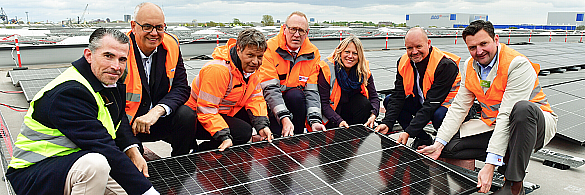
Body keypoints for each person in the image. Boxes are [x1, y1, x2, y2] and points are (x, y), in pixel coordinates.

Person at [6, 28, 158, 195]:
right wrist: (148, 192)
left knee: (128, 186)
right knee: (97, 165)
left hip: (74, 161)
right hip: (36, 172)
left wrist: (132, 149)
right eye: (108, 56)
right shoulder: (68, 93)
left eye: (122, 59)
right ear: (88, 55)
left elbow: (117, 120)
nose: (116, 66)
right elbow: (102, 146)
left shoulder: (104, 80)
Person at [417, 20, 557, 195]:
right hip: (493, 124)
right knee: (449, 147)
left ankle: (513, 185)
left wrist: (490, 164)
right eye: (472, 47)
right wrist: (438, 143)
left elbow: (507, 114)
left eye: (484, 44)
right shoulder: (470, 65)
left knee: (522, 109)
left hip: (532, 126)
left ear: (496, 40)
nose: (479, 51)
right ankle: (506, 158)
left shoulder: (516, 64)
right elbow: (459, 107)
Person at [185, 28, 273, 152]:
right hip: (195, 118)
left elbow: (255, 99)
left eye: (259, 56)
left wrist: (262, 126)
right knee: (243, 132)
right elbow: (206, 109)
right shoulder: (218, 70)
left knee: (258, 119)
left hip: (222, 112)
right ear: (238, 49)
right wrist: (223, 135)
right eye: (250, 55)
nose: (255, 61)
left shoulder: (250, 69)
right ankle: (201, 153)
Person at [125, 2, 195, 156]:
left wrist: (157, 111)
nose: (154, 33)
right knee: (134, 167)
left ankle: (180, 164)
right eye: (147, 27)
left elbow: (181, 88)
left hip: (157, 119)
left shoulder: (171, 45)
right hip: (126, 123)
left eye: (159, 27)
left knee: (186, 115)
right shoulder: (119, 51)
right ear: (133, 26)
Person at [374, 27, 461, 149]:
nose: (414, 52)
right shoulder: (403, 62)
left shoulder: (445, 65)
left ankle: (447, 144)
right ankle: (423, 138)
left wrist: (409, 131)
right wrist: (387, 123)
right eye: (410, 48)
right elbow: (398, 95)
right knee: (389, 100)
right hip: (424, 102)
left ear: (428, 43)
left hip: (447, 107)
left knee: (439, 116)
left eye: (418, 46)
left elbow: (432, 104)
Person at [258, 11, 325, 137]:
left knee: (296, 95)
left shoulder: (313, 53)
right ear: (284, 29)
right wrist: (284, 118)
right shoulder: (269, 49)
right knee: (275, 140)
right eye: (293, 29)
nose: (297, 35)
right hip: (271, 104)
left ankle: (297, 138)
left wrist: (315, 121)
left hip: (295, 104)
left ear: (307, 33)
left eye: (301, 30)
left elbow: (312, 91)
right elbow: (270, 89)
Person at [318, 36, 380, 129]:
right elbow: (324, 104)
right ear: (340, 52)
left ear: (359, 56)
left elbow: (374, 97)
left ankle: (356, 135)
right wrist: (339, 121)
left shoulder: (363, 70)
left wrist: (373, 114)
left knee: (363, 103)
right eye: (347, 52)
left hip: (352, 113)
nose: (350, 56)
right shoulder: (327, 69)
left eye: (355, 53)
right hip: (331, 115)